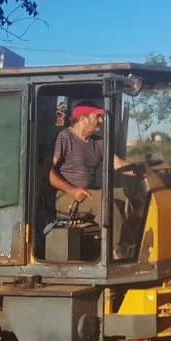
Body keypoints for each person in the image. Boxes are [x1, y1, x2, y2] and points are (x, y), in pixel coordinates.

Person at [49, 101, 134, 253]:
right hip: (66, 196)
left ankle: (133, 245)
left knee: (127, 195)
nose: (101, 121)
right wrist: (72, 190)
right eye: (97, 117)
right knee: (106, 204)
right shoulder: (64, 137)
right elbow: (48, 172)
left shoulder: (98, 142)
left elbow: (118, 164)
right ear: (83, 119)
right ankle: (115, 253)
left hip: (89, 192)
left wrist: (144, 170)